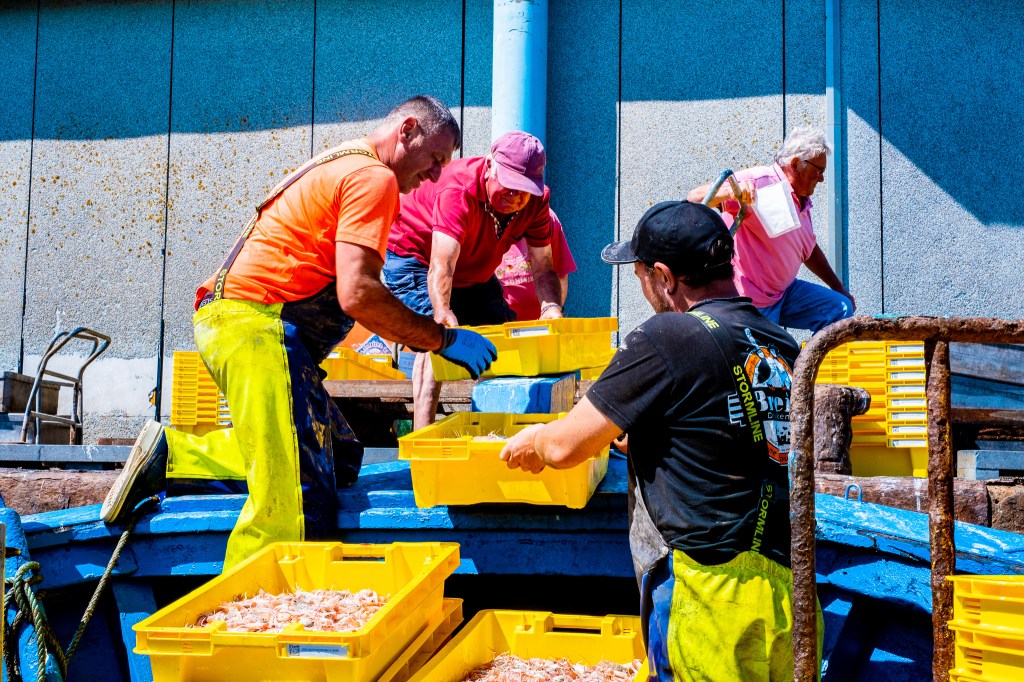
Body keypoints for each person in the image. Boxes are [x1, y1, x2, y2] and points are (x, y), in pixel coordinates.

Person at [100, 95, 497, 570]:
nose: (435, 175)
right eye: (434, 158)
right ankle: (253, 607)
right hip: (257, 325)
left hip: (240, 322)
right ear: (407, 129)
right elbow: (359, 293)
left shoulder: (343, 159)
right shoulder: (374, 178)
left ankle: (171, 455)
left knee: (339, 457)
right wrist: (442, 338)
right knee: (295, 502)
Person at [499, 201, 821, 680]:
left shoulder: (668, 335)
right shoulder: (778, 342)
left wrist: (536, 439)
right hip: (791, 596)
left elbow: (567, 446)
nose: (644, 290)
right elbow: (738, 433)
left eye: (642, 277)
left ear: (665, 277)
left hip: (710, 602)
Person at [384, 131, 563, 430]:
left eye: (524, 189)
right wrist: (442, 313)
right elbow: (442, 264)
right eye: (509, 184)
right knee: (435, 335)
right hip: (415, 254)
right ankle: (423, 437)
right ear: (490, 165)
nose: (516, 196)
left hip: (469, 267)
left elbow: (544, 268)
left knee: (501, 336)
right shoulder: (459, 188)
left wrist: (551, 308)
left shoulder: (536, 201)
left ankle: (497, 431)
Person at [688, 125, 855, 333]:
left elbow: (809, 249)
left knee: (839, 308)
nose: (821, 178)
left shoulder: (801, 199)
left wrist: (838, 288)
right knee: (767, 352)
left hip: (784, 293)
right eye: (819, 171)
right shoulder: (760, 182)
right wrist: (731, 192)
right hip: (752, 301)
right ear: (796, 164)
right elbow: (695, 198)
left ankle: (813, 355)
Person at [495, 208, 577, 321]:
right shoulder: (485, 216)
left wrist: (554, 309)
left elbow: (561, 274)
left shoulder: (545, 216)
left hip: (541, 324)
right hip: (498, 323)